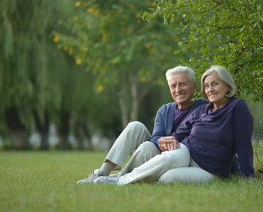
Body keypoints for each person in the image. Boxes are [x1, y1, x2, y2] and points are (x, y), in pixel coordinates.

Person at [94, 65, 254, 185]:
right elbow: (177, 133)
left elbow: (243, 144)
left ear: (228, 86)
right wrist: (168, 141)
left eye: (215, 84)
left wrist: (245, 175)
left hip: (209, 167)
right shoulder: (196, 109)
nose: (210, 89)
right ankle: (115, 179)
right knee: (157, 147)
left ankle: (125, 177)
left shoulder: (234, 107)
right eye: (207, 86)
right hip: (182, 152)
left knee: (166, 179)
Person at [77, 66, 208, 184]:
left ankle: (119, 178)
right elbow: (156, 137)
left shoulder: (203, 107)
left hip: (181, 158)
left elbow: (198, 139)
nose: (178, 90)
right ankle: (102, 172)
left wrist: (171, 143)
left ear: (194, 87)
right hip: (160, 153)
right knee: (136, 126)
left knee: (147, 147)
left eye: (182, 84)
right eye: (173, 86)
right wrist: (160, 141)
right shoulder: (165, 109)